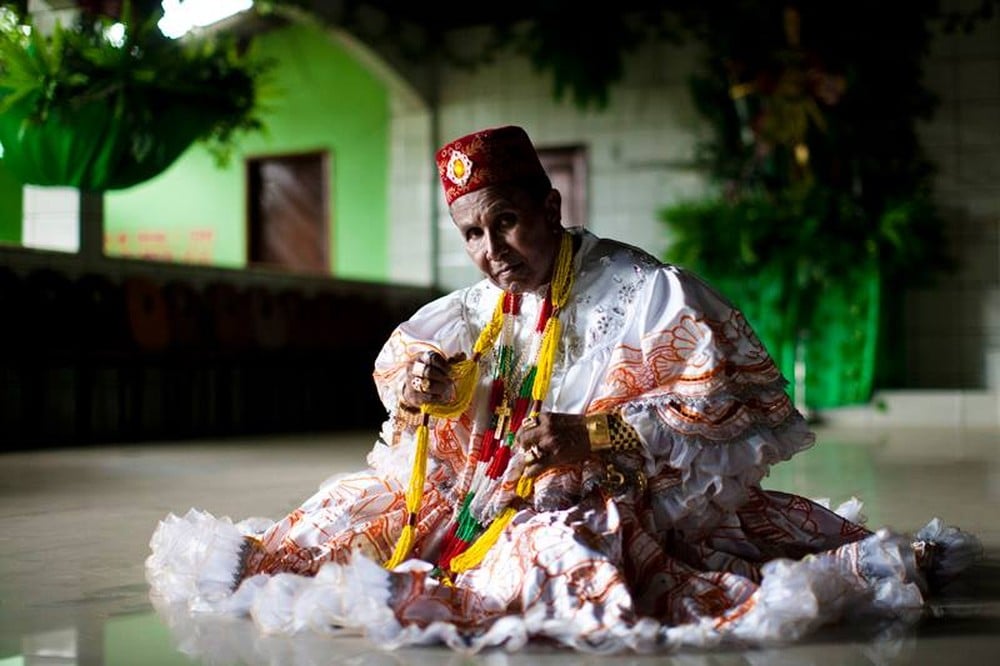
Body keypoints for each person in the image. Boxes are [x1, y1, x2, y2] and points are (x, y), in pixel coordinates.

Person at [146, 125, 982, 654]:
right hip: (476, 495)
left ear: (551, 204)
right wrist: (423, 385)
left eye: (506, 220)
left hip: (611, 494)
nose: (490, 248)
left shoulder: (645, 292)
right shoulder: (475, 306)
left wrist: (592, 437)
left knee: (556, 554)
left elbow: (711, 423)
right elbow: (411, 393)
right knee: (337, 522)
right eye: (470, 232)